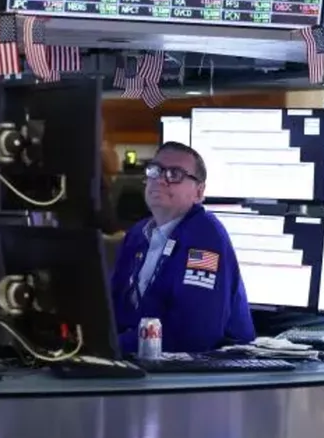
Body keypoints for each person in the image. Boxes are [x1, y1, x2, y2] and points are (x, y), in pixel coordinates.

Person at [109, 142, 255, 355]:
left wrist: (113, 345)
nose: (160, 179)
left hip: (207, 368)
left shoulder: (206, 236)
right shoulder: (137, 234)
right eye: (155, 170)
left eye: (175, 174)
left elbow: (194, 334)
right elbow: (112, 309)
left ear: (199, 192)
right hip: (142, 358)